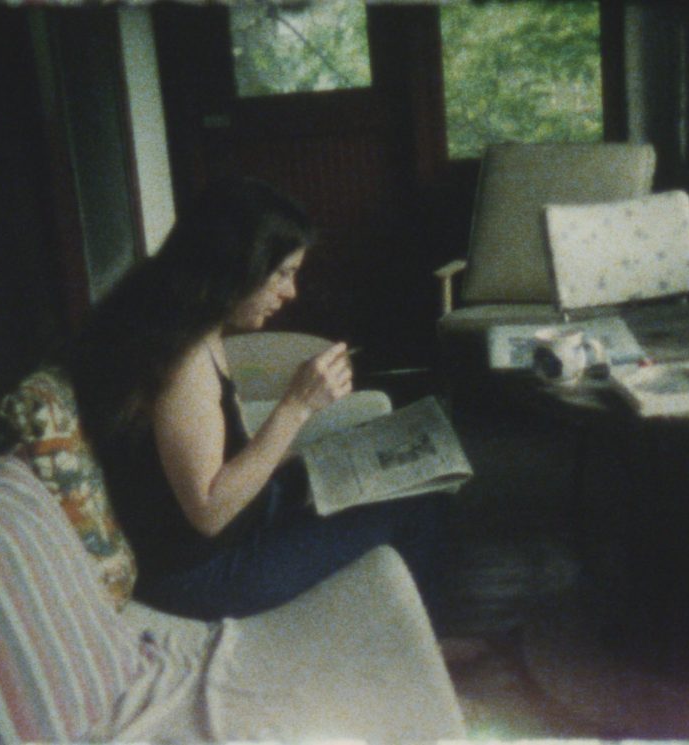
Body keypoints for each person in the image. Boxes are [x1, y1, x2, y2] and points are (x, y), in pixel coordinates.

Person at [68, 177, 443, 622]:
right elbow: (208, 512)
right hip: (201, 574)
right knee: (419, 506)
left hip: (233, 532)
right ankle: (437, 642)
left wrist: (317, 456)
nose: (291, 292)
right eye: (282, 273)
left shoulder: (189, 322)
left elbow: (224, 454)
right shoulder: (180, 359)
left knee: (395, 471)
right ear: (237, 266)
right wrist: (296, 406)